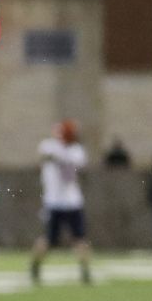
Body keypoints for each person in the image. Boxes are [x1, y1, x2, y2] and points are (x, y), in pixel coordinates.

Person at [31, 119, 92, 285]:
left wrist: (61, 156)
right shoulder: (49, 146)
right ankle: (35, 266)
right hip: (54, 201)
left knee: (80, 238)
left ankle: (85, 271)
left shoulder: (76, 151)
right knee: (49, 240)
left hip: (72, 201)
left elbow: (72, 168)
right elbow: (44, 155)